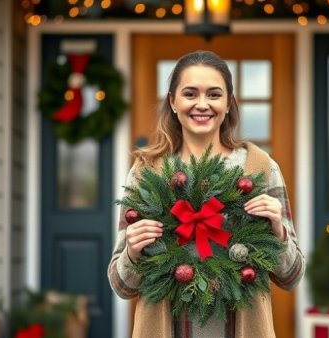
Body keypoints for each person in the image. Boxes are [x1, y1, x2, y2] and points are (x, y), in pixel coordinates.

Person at [107, 50, 304, 338]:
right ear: (173, 102)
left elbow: (291, 276)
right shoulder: (147, 172)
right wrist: (133, 253)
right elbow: (121, 286)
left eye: (214, 94)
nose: (202, 104)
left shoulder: (259, 168)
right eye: (190, 94)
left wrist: (278, 231)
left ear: (229, 103)